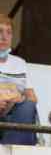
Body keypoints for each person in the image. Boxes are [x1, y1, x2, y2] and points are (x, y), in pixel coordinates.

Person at [0, 14, 38, 146]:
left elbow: (32, 97)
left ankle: (12, 150)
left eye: (9, 32)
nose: (4, 37)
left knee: (28, 105)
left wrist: (16, 98)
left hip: (13, 116)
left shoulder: (20, 63)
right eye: (0, 31)